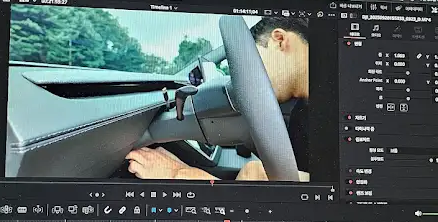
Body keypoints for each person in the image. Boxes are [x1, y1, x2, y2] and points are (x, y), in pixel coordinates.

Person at [126, 17, 310, 181]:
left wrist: (179, 174)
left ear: (279, 40)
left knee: (254, 172)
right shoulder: (303, 109)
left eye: (250, 63)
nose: (244, 78)